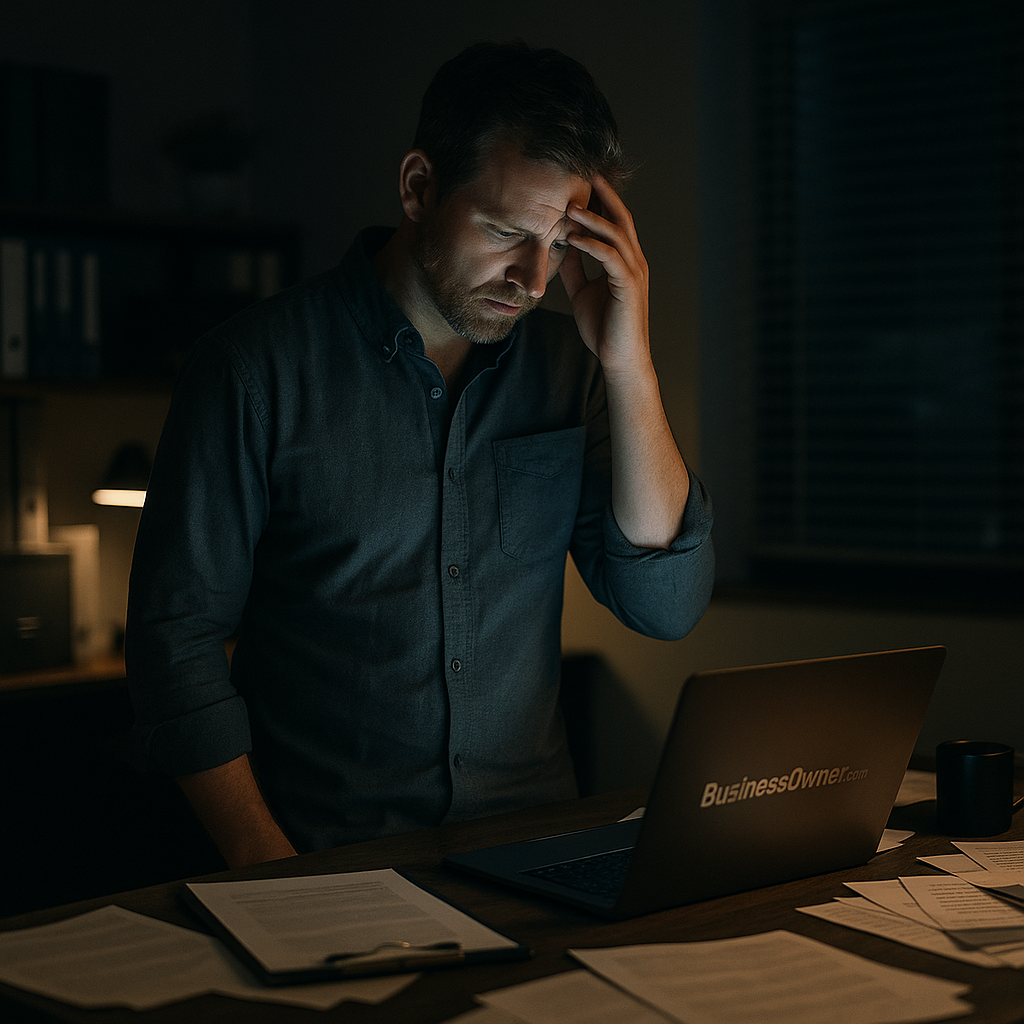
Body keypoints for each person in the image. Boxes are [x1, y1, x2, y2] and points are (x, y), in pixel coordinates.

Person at [126, 40, 714, 869]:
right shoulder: (251, 370)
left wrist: (628, 361)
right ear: (418, 187)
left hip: (534, 855)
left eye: (559, 243)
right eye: (508, 231)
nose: (535, 278)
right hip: (328, 860)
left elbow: (667, 602)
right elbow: (174, 642)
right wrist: (271, 872)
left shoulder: (570, 372)